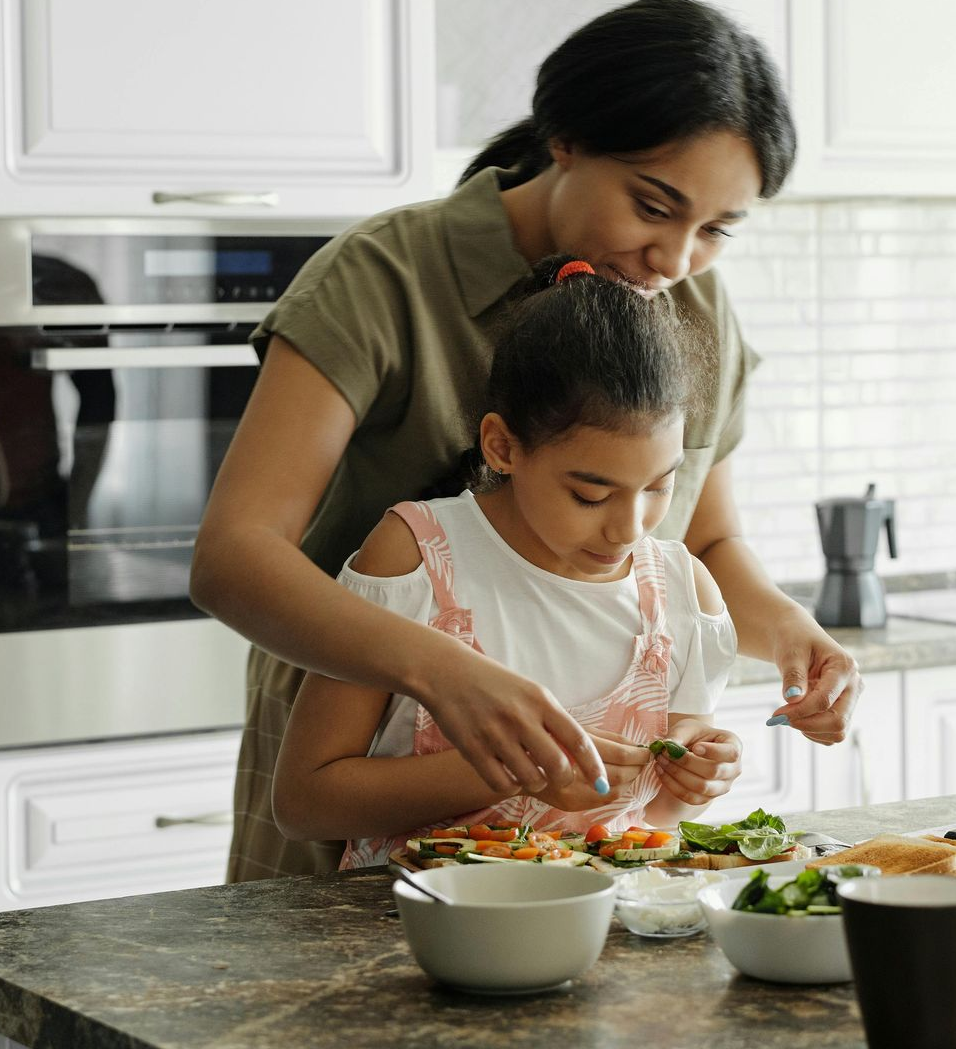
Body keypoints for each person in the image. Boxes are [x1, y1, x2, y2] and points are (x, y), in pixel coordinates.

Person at [192, 0, 862, 880]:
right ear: (567, 141)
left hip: (576, 848)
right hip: (360, 763)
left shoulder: (692, 305)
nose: (676, 258)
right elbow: (233, 557)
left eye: (715, 230)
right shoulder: (384, 276)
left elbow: (703, 540)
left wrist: (790, 634)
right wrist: (446, 673)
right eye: (654, 206)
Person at [271, 256, 741, 867]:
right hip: (412, 933)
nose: (630, 528)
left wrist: (696, 781)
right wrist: (510, 772)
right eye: (590, 494)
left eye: (659, 485)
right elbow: (304, 802)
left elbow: (657, 819)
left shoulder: (682, 593)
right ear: (502, 445)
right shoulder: (417, 558)